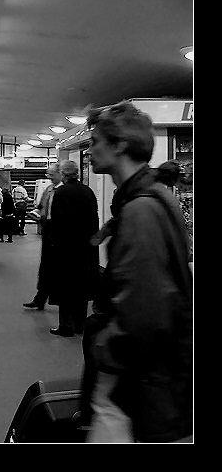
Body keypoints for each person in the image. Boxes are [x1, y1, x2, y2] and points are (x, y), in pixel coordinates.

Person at [82, 100, 192, 443]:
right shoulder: (151, 197)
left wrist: (105, 347)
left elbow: (145, 309)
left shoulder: (140, 210)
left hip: (137, 378)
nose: (89, 151)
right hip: (154, 373)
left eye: (95, 142)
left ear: (119, 145)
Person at [47, 159, 99, 337]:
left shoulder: (61, 192)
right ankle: (80, 323)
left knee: (65, 287)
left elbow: (57, 222)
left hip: (66, 249)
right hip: (85, 249)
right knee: (81, 288)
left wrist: (54, 243)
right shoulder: (88, 191)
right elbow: (94, 219)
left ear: (63, 174)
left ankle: (66, 325)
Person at [22, 164, 62, 311]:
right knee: (45, 266)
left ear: (60, 173)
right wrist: (36, 213)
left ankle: (63, 301)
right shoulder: (49, 189)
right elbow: (40, 207)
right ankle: (40, 298)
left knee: (58, 268)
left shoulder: (64, 191)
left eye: (51, 174)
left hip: (60, 233)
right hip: (47, 229)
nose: (49, 177)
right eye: (47, 174)